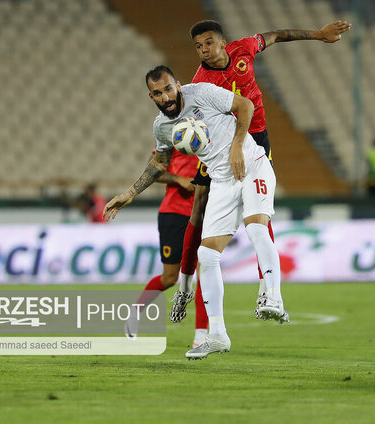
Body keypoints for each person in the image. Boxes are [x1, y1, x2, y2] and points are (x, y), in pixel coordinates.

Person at [173, 19, 352, 341]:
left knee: (258, 213)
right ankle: (184, 286)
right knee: (198, 212)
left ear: (223, 42)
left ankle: (267, 290)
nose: (204, 51)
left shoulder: (245, 49)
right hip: (220, 145)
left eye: (208, 43)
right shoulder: (201, 80)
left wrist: (320, 35)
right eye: (198, 46)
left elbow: (278, 35)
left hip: (256, 141)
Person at [104, 65, 285, 360]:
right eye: (158, 93)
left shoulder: (201, 92)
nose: (166, 97)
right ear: (151, 97)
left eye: (168, 89)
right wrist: (129, 194)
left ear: (177, 85)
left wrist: (238, 146)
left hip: (251, 164)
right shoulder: (161, 127)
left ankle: (273, 298)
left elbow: (246, 105)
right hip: (220, 182)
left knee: (255, 227)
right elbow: (160, 164)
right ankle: (216, 335)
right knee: (206, 256)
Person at [123, 148, 205, 340]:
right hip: (175, 214)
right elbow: (154, 170)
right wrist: (178, 179)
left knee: (205, 272)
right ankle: (135, 312)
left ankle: (201, 335)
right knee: (169, 278)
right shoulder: (174, 135)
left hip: (203, 214)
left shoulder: (216, 132)